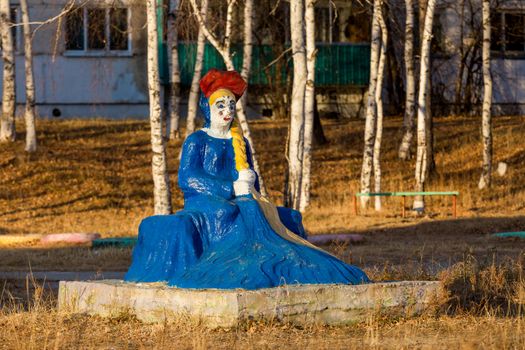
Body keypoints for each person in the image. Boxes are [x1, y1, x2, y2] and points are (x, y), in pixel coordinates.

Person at [125, 69, 369, 290]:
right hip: (206, 203)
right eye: (220, 105)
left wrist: (253, 189)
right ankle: (231, 265)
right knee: (227, 214)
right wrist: (228, 187)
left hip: (241, 198)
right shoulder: (197, 141)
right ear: (207, 107)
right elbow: (187, 178)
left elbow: (252, 182)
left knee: (282, 216)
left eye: (231, 105)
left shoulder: (240, 142)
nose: (227, 111)